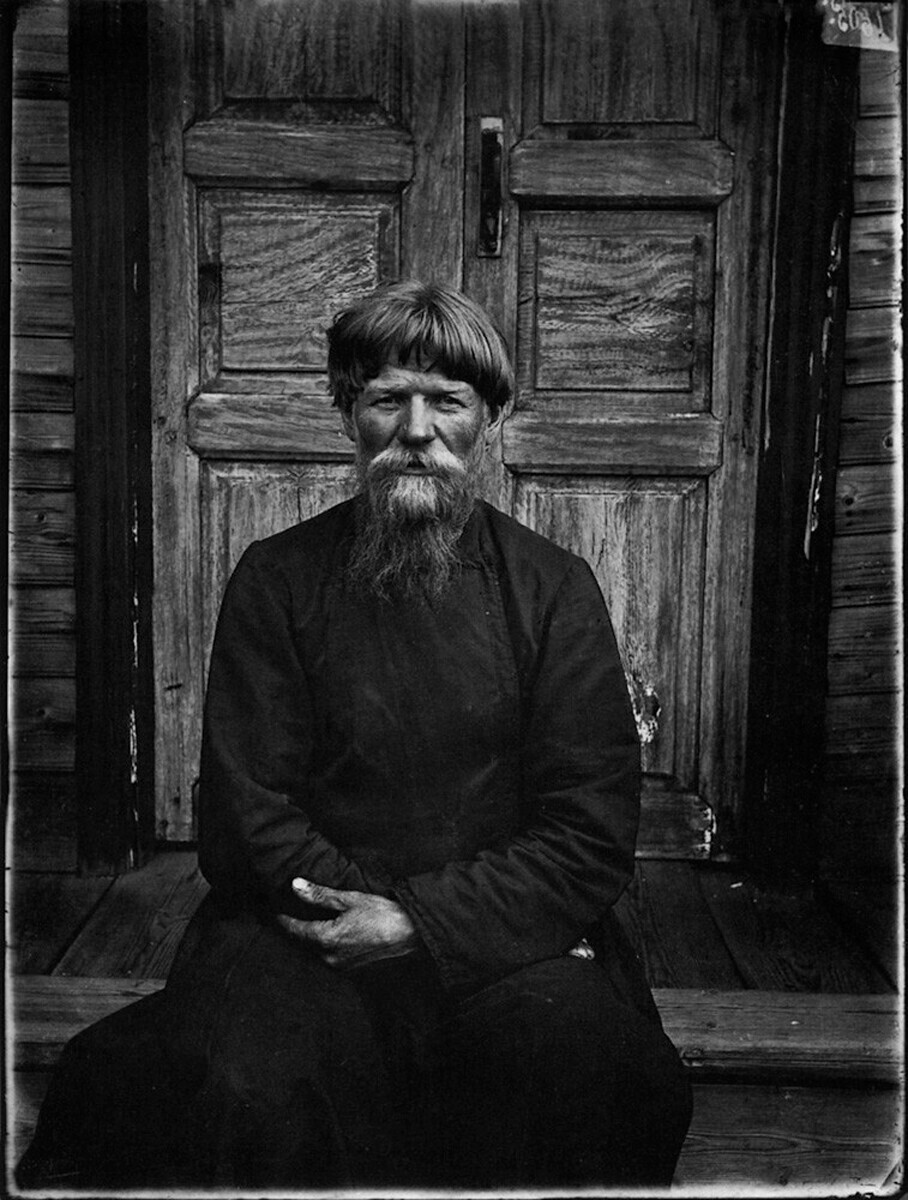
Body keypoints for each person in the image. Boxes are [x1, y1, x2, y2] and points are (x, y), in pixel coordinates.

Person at [18, 281, 692, 1191]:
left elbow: (589, 830)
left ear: (485, 421)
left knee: (575, 1062)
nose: (417, 429)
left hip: (502, 936)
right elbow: (246, 813)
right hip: (302, 928)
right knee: (240, 1079)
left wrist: (420, 924)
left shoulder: (554, 591)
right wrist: (363, 916)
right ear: (350, 415)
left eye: (447, 402)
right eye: (388, 399)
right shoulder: (276, 579)